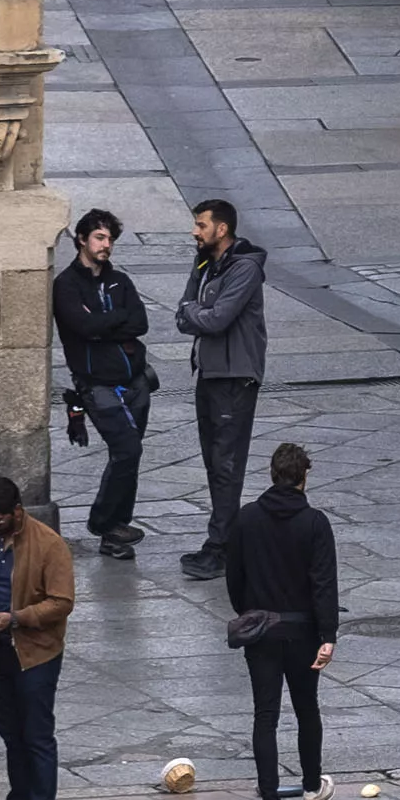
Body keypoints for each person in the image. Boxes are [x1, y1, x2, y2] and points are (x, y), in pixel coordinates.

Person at [226, 437, 339, 800]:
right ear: (303, 476)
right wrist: (328, 635)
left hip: (261, 629)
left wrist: (248, 612)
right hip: (304, 629)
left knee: (265, 715)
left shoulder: (247, 518)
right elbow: (324, 584)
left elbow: (234, 577)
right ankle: (311, 791)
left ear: (273, 475)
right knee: (307, 709)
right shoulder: (315, 523)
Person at [0, 474, 73, 800]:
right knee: (11, 733)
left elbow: (62, 602)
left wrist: (15, 618)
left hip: (37, 653)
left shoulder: (49, 545)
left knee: (37, 733)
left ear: (17, 512)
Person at [52, 208, 155, 560]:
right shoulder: (67, 285)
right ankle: (104, 523)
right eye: (99, 237)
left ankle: (116, 528)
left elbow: (139, 322)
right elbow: (82, 327)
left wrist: (103, 324)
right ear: (82, 239)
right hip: (96, 384)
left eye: (110, 238)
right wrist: (111, 323)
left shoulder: (120, 281)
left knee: (127, 455)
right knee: (128, 450)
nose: (106, 244)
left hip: (135, 381)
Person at [175, 195, 269, 579]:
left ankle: (221, 547)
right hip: (210, 373)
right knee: (214, 463)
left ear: (222, 228)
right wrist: (196, 314)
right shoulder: (206, 265)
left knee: (227, 464)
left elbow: (216, 319)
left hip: (234, 376)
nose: (195, 231)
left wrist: (195, 314)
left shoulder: (244, 269)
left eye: (201, 225)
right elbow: (183, 312)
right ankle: (225, 541)